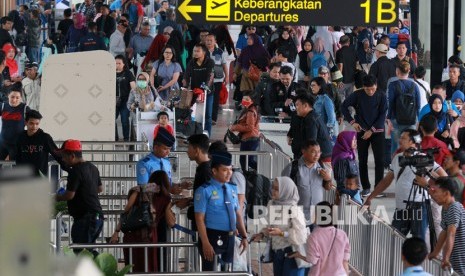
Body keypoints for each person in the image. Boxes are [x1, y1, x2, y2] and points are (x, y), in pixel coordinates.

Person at [365, 129, 447, 240]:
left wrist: (427, 183)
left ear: (413, 142)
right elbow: (386, 181)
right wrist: (371, 197)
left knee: (418, 242)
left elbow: (444, 177)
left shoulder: (423, 158)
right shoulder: (398, 157)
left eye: (403, 138)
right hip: (401, 208)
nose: (400, 140)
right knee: (394, 239)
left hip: (419, 207)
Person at [194, 151, 248, 271]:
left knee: (228, 271)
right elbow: (199, 219)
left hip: (230, 237)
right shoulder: (204, 191)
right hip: (212, 236)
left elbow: (238, 213)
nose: (229, 173)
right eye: (225, 170)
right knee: (210, 272)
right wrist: (205, 242)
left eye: (231, 169)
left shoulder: (232, 188)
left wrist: (244, 236)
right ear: (214, 171)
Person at [110, 170, 172, 272]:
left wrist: (116, 232)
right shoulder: (167, 197)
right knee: (149, 265)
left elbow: (126, 213)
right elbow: (170, 221)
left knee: (133, 265)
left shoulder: (138, 190)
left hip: (132, 234)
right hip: (151, 236)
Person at [55, 139, 103, 255]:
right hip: (97, 217)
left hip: (85, 219)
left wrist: (56, 197)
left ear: (72, 156)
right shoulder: (92, 167)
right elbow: (100, 189)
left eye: (64, 156)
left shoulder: (75, 171)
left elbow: (69, 195)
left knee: (81, 252)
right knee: (88, 250)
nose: (63, 159)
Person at [251, 176, 308, 276]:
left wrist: (282, 233)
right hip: (277, 252)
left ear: (286, 191)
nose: (273, 191)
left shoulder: (294, 210)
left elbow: (301, 236)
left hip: (292, 253)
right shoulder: (272, 204)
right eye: (273, 187)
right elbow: (270, 227)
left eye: (277, 189)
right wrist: (262, 234)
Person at [341, 75, 387, 197]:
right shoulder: (358, 94)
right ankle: (366, 187)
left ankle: (378, 188)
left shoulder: (382, 95)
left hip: (377, 131)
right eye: (367, 89)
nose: (370, 91)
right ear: (363, 87)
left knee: (380, 160)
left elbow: (383, 115)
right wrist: (352, 122)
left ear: (376, 86)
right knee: (362, 160)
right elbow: (344, 106)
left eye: (372, 89)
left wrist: (371, 130)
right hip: (361, 130)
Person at [289, 201, 350, 276]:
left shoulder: (313, 237)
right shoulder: (342, 234)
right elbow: (345, 260)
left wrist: (299, 255)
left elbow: (313, 260)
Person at [281, 139, 333, 224]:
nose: (317, 155)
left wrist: (328, 179)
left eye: (319, 152)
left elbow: (328, 187)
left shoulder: (321, 166)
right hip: (298, 217)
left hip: (316, 217)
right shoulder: (292, 168)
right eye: (313, 152)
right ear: (303, 151)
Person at [423, 177, 465, 275]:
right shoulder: (446, 208)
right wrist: (435, 252)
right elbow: (444, 232)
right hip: (455, 256)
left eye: (436, 191)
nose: (433, 195)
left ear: (446, 193)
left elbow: (451, 234)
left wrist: (445, 258)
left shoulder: (454, 208)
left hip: (461, 256)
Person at [15, 110, 66, 176]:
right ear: (26, 123)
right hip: (24, 176)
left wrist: (69, 168)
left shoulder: (45, 137)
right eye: (31, 123)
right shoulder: (20, 137)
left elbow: (57, 155)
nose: (34, 127)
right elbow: (18, 157)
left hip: (40, 177)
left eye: (37, 124)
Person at [387, 61, 421, 157]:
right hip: (412, 120)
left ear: (397, 71)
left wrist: (389, 119)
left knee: (396, 145)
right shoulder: (415, 86)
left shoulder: (392, 85)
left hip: (396, 120)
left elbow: (391, 104)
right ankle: (411, 165)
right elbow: (418, 105)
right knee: (412, 144)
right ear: (409, 71)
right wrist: (417, 120)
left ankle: (394, 167)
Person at [288, 93, 332, 161]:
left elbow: (311, 144)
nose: (295, 108)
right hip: (317, 157)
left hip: (321, 159)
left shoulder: (311, 119)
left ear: (305, 105)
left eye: (297, 105)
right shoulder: (308, 117)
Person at [183, 43, 214, 134]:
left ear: (203, 52)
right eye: (194, 51)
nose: (195, 53)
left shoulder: (210, 62)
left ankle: (207, 135)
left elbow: (210, 76)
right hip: (194, 93)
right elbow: (186, 75)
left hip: (208, 92)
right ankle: (193, 132)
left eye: (197, 51)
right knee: (193, 114)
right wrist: (185, 85)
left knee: (207, 115)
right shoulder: (191, 62)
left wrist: (205, 87)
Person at [229, 92, 260, 172]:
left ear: (252, 101)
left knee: (246, 161)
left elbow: (250, 127)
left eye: (246, 99)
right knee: (246, 160)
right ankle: (249, 175)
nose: (244, 101)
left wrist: (235, 127)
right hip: (249, 138)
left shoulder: (250, 112)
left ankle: (253, 174)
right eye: (243, 99)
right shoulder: (250, 110)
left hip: (249, 139)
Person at [0, 83, 29, 160]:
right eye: (12, 97)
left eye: (17, 97)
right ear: (8, 95)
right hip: (2, 142)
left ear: (20, 98)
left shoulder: (25, 108)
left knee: (15, 168)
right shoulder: (3, 106)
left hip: (16, 144)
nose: (14, 100)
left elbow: (34, 121)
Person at [206, 33, 228, 126]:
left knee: (215, 100)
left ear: (215, 41)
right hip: (205, 80)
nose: (209, 42)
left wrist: (227, 76)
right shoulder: (202, 51)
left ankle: (213, 118)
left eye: (211, 40)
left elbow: (224, 64)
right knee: (205, 99)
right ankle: (205, 117)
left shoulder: (220, 52)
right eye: (207, 40)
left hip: (217, 80)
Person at [115, 55, 135, 141]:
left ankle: (126, 138)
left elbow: (133, 88)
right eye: (115, 63)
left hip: (125, 101)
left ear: (123, 64)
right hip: (113, 101)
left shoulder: (128, 73)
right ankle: (115, 137)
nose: (117, 65)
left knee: (124, 120)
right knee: (111, 120)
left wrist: (133, 100)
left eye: (119, 63)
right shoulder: (109, 72)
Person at [336, 35, 357, 101]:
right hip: (352, 78)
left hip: (343, 80)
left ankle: (343, 111)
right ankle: (350, 111)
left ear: (340, 43)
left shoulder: (339, 52)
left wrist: (339, 80)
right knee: (349, 98)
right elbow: (356, 65)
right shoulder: (354, 51)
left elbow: (340, 66)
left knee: (341, 99)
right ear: (349, 42)